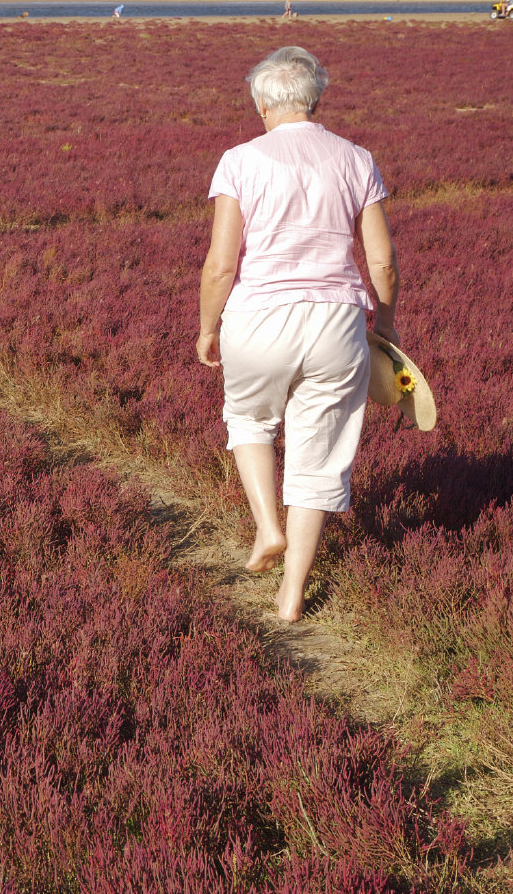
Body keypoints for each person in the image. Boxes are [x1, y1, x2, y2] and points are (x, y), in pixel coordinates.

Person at [196, 46, 400, 623]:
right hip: (337, 321)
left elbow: (219, 265)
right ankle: (291, 596)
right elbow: (381, 262)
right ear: (317, 100)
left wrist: (208, 328)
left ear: (262, 103)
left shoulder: (240, 159)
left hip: (259, 316)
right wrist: (382, 328)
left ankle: (266, 527)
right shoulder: (357, 159)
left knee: (248, 418)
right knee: (321, 453)